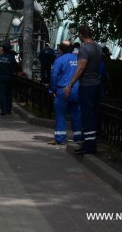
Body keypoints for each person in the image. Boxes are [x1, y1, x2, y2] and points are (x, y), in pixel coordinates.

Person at [64, 25, 102, 155]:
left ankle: (89, 146)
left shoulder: (84, 49)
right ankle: (90, 143)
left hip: (86, 85)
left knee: (87, 116)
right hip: (96, 84)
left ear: (81, 35)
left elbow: (80, 68)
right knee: (93, 114)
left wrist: (70, 84)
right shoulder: (98, 47)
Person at [48, 41, 82, 145]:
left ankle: (60, 138)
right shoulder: (78, 58)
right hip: (77, 89)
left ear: (60, 49)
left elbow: (54, 76)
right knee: (76, 114)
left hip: (62, 90)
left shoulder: (59, 60)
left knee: (60, 114)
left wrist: (52, 89)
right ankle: (79, 137)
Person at [0, 41, 19, 116]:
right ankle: (8, 109)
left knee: (2, 94)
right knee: (9, 94)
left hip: (0, 77)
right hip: (10, 77)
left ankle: (3, 110)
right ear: (9, 49)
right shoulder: (11, 58)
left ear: (3, 49)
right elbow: (17, 67)